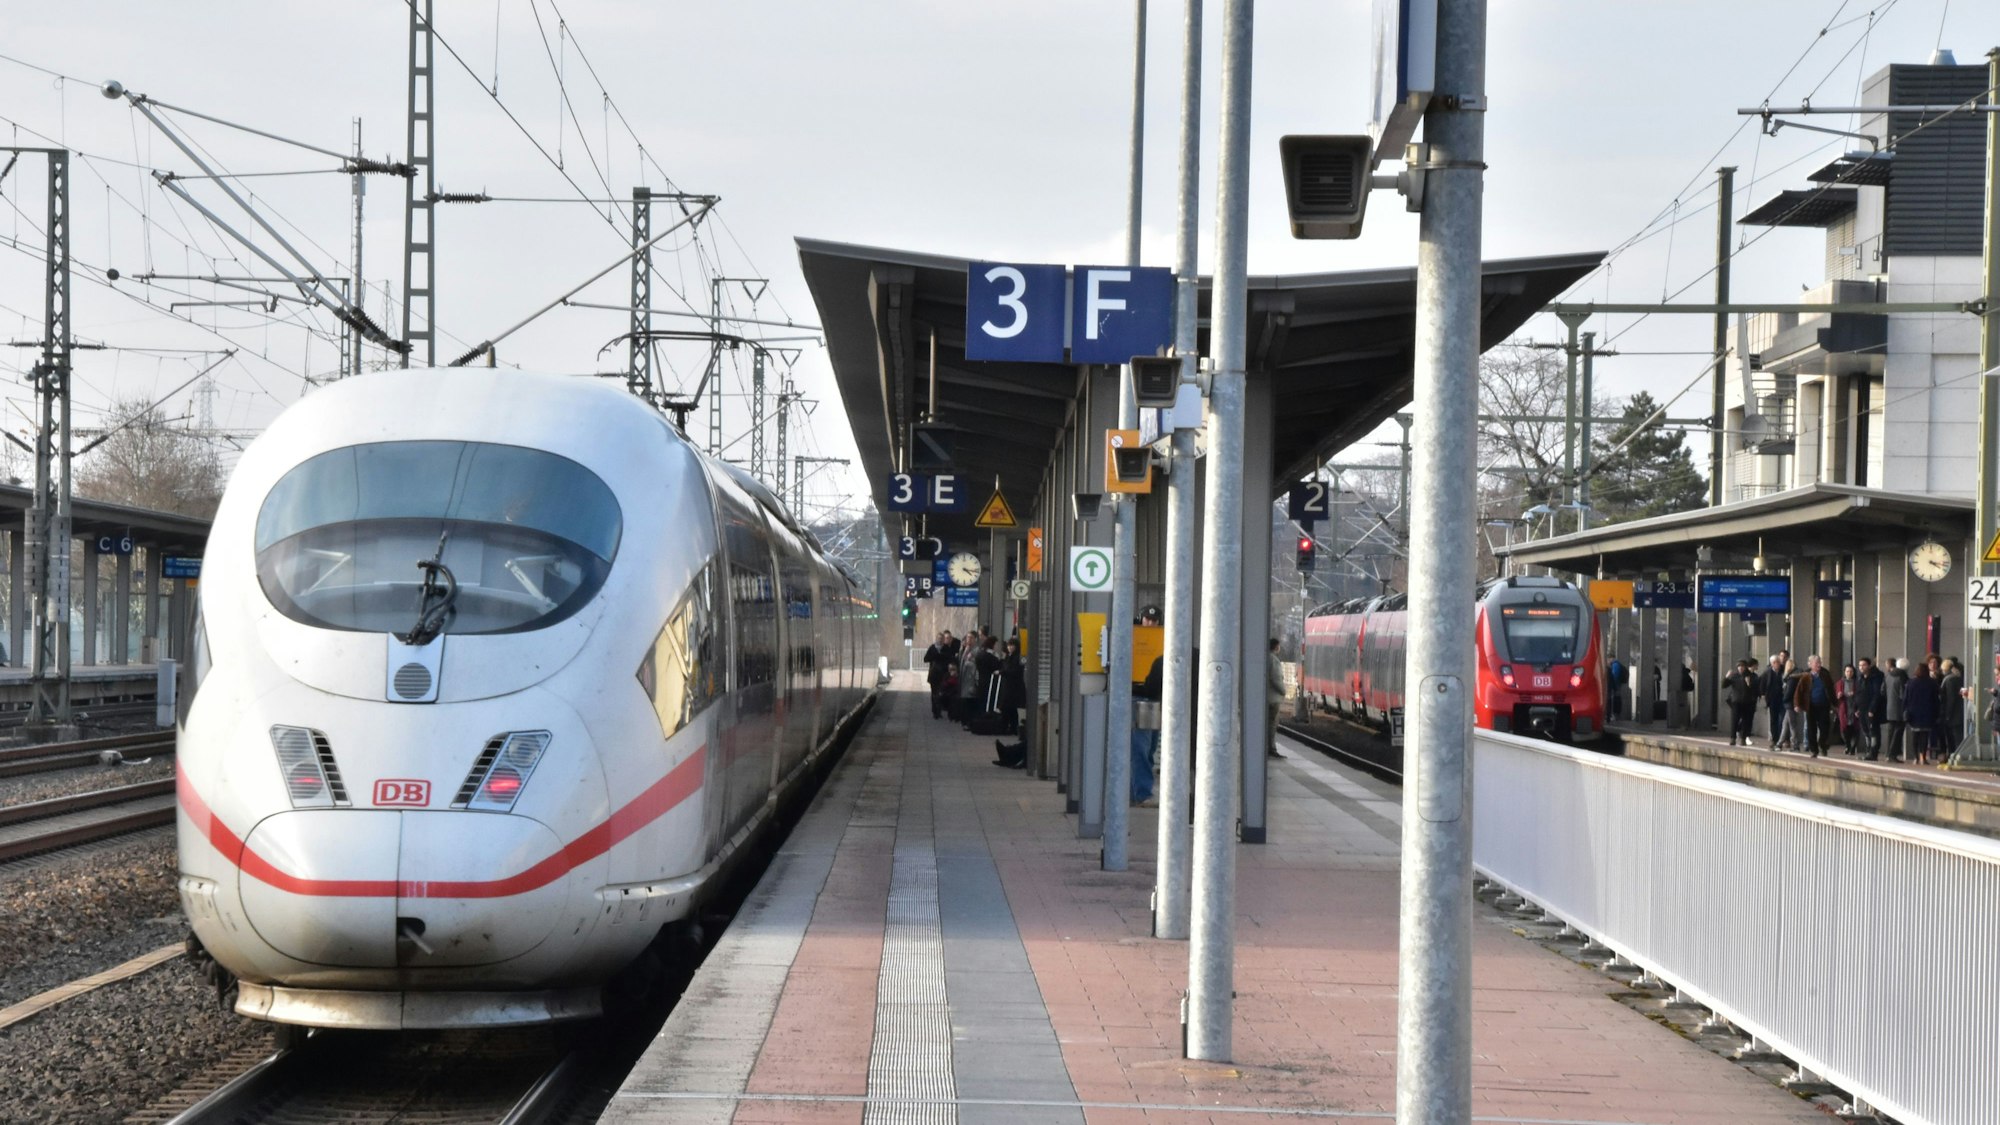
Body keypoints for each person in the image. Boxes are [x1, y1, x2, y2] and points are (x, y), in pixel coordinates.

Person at [1131, 652, 1162, 806]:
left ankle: (1138, 792)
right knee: (1143, 750)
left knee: (1145, 749)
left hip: (1148, 698)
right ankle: (1142, 793)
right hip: (1147, 700)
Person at [1791, 655, 1836, 757]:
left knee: (1825, 728)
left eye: (1820, 662)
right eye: (1816, 663)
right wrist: (1797, 704)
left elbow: (1831, 690)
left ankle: (1823, 745)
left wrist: (1834, 704)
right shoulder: (1806, 676)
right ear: (1810, 664)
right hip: (1810, 706)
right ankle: (1814, 750)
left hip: (1824, 705)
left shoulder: (1825, 674)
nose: (1819, 665)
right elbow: (1799, 691)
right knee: (1811, 729)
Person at [1904, 660, 1938, 765]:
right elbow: (1936, 699)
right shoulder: (1932, 683)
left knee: (1915, 736)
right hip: (1927, 712)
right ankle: (1923, 756)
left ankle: (1915, 757)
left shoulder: (1911, 683)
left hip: (1913, 712)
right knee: (1924, 736)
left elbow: (1905, 698)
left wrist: (1905, 710)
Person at [1853, 657, 1885, 759]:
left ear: (1869, 665)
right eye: (1860, 665)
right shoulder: (1860, 678)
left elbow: (1877, 694)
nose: (1861, 667)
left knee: (1873, 731)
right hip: (1862, 709)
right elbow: (1858, 693)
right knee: (1866, 731)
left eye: (1864, 665)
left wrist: (1872, 709)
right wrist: (1856, 708)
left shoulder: (1876, 677)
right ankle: (1868, 750)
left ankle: (1873, 752)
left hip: (1871, 710)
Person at [1722, 659, 1759, 747]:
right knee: (1734, 720)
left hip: (1748, 701)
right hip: (1736, 701)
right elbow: (1724, 685)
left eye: (1742, 667)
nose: (1740, 668)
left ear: (1746, 667)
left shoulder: (1752, 676)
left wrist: (1749, 683)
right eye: (1739, 667)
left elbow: (1756, 688)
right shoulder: (1734, 676)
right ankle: (1733, 738)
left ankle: (1743, 738)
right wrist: (1727, 677)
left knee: (1746, 721)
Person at [923, 630, 958, 719]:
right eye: (939, 638)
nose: (940, 640)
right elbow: (926, 659)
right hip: (934, 674)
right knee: (934, 693)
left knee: (941, 692)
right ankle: (935, 711)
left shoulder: (946, 648)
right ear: (936, 639)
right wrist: (934, 656)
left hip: (943, 674)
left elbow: (951, 658)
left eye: (942, 639)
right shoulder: (932, 648)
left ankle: (939, 709)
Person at [1937, 657, 1965, 763]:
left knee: (1953, 737)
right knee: (1958, 736)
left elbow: (1950, 699)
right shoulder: (1958, 677)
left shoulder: (1949, 680)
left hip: (1952, 714)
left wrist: (1947, 714)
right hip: (1959, 711)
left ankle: (1955, 756)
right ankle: (1956, 755)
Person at [1883, 657, 1911, 762]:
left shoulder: (1888, 676)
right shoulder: (1902, 677)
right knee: (1898, 732)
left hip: (1890, 707)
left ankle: (1888, 753)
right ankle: (1892, 754)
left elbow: (1883, 691)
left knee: (1890, 731)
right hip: (1899, 709)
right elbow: (1903, 694)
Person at [1759, 655, 1787, 748]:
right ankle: (1775, 739)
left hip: (1783, 698)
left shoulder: (1784, 671)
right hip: (1772, 699)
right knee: (1774, 720)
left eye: (1778, 662)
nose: (1777, 664)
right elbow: (1762, 684)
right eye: (1775, 662)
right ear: (1772, 664)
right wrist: (1763, 694)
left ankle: (1782, 738)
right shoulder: (1767, 673)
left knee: (1783, 719)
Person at [1266, 637, 1286, 759]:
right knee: (1272, 725)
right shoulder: (1274, 660)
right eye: (1279, 646)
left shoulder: (1265, 658)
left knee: (1267, 724)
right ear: (1276, 647)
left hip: (1266, 697)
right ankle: (1271, 748)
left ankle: (1268, 747)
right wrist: (1284, 691)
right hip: (1273, 699)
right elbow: (1276, 679)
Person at [1836, 663, 1859, 754]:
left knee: (1855, 728)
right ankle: (1847, 745)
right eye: (1847, 671)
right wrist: (1839, 695)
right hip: (1843, 707)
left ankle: (1853, 747)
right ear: (1844, 672)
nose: (1849, 673)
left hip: (1854, 707)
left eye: (1851, 671)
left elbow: (1860, 694)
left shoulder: (1857, 683)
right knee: (1844, 727)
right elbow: (1835, 695)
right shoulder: (1840, 683)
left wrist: (1854, 694)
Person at [1606, 654, 1626, 721]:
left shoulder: (1615, 665)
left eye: (1608, 659)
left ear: (1611, 658)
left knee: (1614, 700)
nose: (1608, 661)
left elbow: (1614, 676)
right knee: (1615, 699)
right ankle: (1614, 715)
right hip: (1617, 685)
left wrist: (1613, 686)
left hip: (1616, 686)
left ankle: (1614, 715)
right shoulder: (1617, 664)